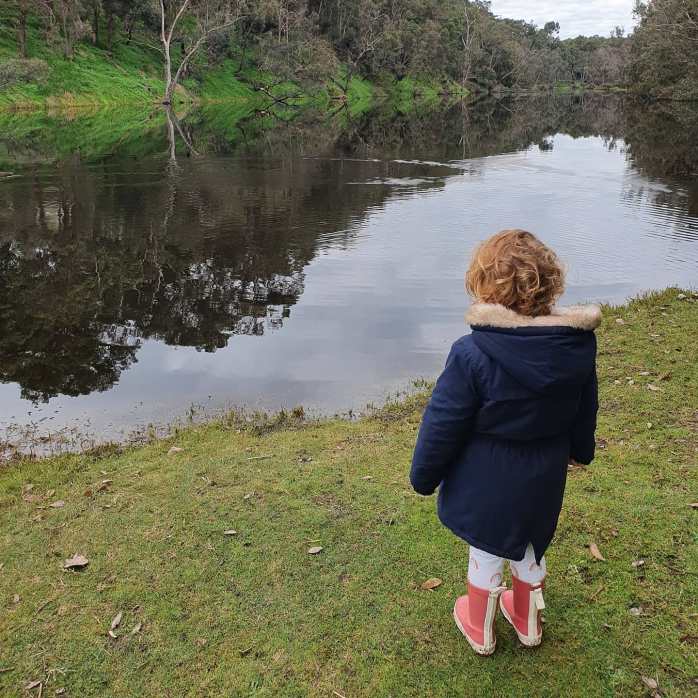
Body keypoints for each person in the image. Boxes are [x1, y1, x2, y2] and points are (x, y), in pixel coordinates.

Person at [410, 229, 601, 655]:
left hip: (487, 480)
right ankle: (528, 621)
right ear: (550, 284)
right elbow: (585, 406)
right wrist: (580, 451)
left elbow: (443, 423)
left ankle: (479, 627)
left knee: (487, 549)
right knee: (531, 542)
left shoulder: (471, 353)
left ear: (483, 286)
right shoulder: (577, 346)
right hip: (544, 476)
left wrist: (424, 476)